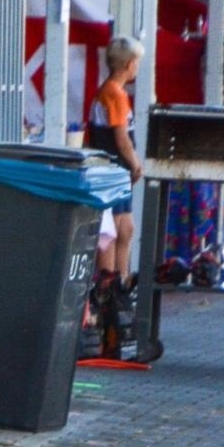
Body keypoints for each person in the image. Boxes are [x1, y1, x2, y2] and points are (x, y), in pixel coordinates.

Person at [88, 35, 145, 300]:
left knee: (125, 228)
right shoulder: (114, 94)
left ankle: (121, 281)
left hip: (117, 170)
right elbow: (121, 137)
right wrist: (135, 163)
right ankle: (109, 285)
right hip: (113, 168)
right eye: (137, 63)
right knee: (111, 230)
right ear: (129, 64)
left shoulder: (115, 92)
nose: (137, 68)